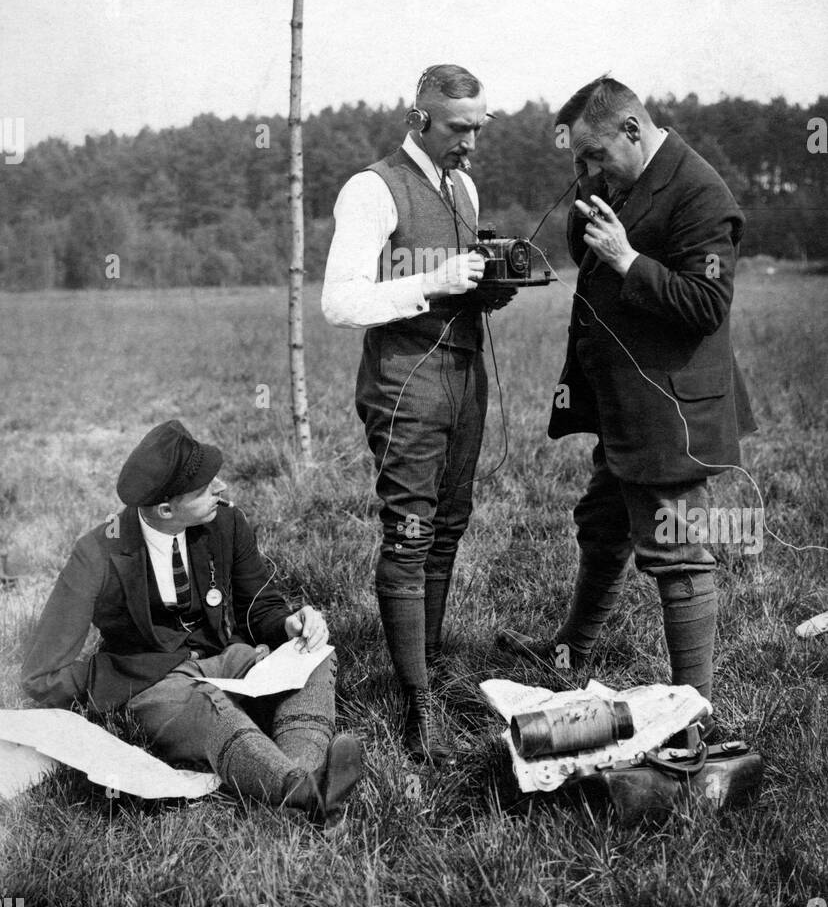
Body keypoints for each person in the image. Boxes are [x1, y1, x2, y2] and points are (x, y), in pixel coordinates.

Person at [500, 75, 756, 703]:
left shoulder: (701, 193)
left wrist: (625, 259)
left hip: (672, 410)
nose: (587, 171)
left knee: (679, 552)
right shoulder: (622, 179)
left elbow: (706, 304)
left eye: (594, 155)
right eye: (579, 161)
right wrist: (591, 221)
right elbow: (588, 247)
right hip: (625, 404)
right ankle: (571, 648)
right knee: (603, 521)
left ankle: (695, 711)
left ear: (633, 131)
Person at [21, 419, 362, 826]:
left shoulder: (226, 523)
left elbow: (259, 605)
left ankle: (307, 776)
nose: (221, 488)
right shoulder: (97, 552)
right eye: (204, 489)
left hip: (225, 661)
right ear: (166, 509)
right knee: (209, 709)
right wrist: (107, 684)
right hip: (155, 683)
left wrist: (290, 624)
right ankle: (304, 790)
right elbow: (41, 672)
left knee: (313, 654)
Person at [322, 64, 507, 764]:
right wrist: (433, 281)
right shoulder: (372, 188)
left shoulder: (461, 186)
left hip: (464, 374)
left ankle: (427, 666)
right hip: (405, 381)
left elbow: (454, 284)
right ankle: (417, 703)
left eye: (478, 129)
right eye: (459, 128)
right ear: (418, 118)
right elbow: (340, 302)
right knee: (410, 531)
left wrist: (486, 292)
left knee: (449, 526)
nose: (470, 143)